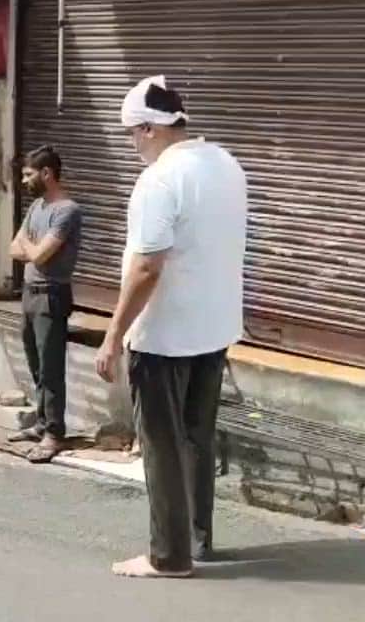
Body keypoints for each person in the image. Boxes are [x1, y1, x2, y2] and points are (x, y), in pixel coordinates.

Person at [96, 75, 248, 579]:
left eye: (130, 134)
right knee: (197, 439)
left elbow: (147, 267)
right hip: (216, 329)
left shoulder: (160, 179)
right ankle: (199, 540)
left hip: (164, 336)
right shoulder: (226, 164)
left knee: (161, 443)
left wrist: (114, 334)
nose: (131, 144)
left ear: (148, 129)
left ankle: (169, 556)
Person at [8, 146, 84, 464]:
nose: (24, 181)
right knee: (35, 363)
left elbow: (39, 255)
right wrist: (32, 246)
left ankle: (54, 433)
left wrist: (31, 246)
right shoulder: (37, 206)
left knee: (51, 368)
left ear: (47, 174)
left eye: (28, 174)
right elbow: (15, 247)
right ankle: (41, 424)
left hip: (51, 295)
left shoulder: (67, 210)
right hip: (29, 292)